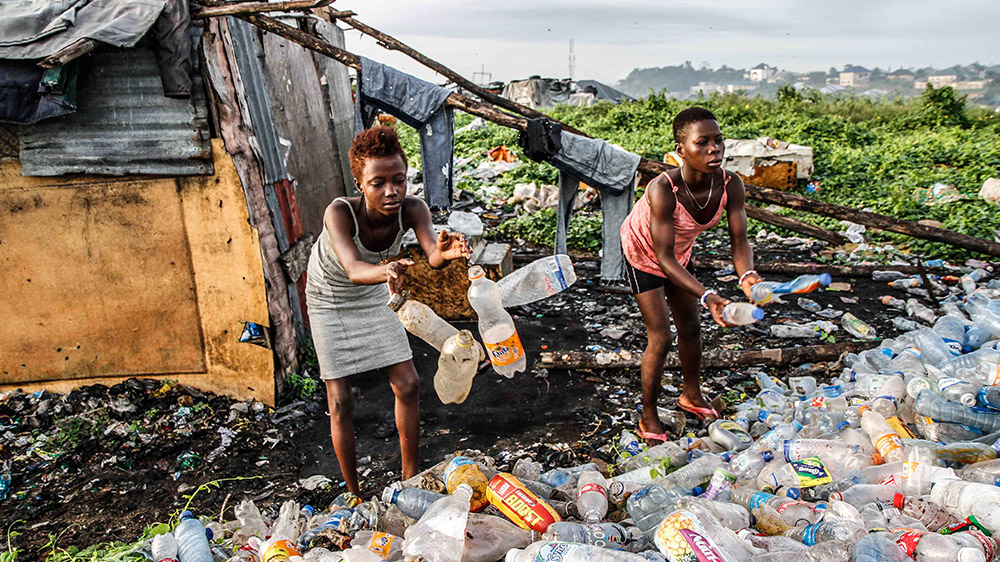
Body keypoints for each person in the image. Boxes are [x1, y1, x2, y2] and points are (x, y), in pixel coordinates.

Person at [305, 126, 470, 494]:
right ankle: (353, 492)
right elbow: (352, 268)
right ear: (360, 183)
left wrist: (444, 252)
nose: (391, 191)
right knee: (340, 399)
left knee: (408, 383)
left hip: (378, 283)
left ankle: (409, 479)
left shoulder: (413, 209)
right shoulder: (339, 212)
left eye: (399, 180)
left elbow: (432, 253)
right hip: (330, 296)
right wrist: (386, 271)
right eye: (378, 182)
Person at [620, 107, 761, 442]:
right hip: (643, 253)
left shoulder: (731, 184)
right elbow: (663, 259)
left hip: (678, 253)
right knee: (662, 336)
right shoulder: (663, 189)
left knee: (691, 328)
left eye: (718, 141)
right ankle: (649, 414)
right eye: (703, 143)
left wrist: (748, 276)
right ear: (681, 150)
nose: (715, 149)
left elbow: (739, 240)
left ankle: (691, 395)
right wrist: (708, 295)